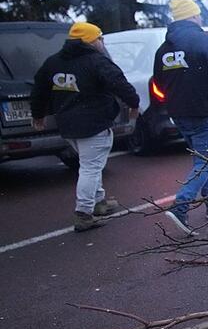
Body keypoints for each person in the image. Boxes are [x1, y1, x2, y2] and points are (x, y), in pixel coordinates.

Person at [30, 22, 139, 232]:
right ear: (90, 40)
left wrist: (38, 115)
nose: (102, 42)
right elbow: (119, 83)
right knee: (90, 167)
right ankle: (84, 213)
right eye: (100, 38)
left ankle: (99, 202)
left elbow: (39, 90)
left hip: (68, 124)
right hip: (93, 123)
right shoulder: (96, 61)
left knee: (90, 163)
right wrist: (134, 103)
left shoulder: (53, 62)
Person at [153, 0, 208, 234]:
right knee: (206, 162)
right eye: (198, 15)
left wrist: (174, 102)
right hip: (204, 111)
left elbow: (158, 82)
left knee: (201, 161)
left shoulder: (164, 49)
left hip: (179, 114)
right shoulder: (205, 40)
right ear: (193, 16)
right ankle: (181, 206)